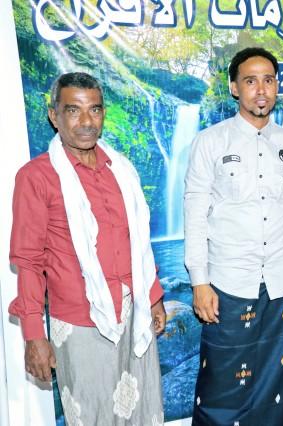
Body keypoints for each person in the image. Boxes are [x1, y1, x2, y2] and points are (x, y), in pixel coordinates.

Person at [9, 72, 166, 425]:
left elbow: (136, 242)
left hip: (134, 312)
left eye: (94, 110)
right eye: (73, 110)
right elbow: (29, 262)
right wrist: (34, 336)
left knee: (144, 413)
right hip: (80, 321)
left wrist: (154, 296)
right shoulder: (37, 177)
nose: (86, 122)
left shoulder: (120, 169)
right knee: (93, 417)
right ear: (54, 116)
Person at [184, 47, 283, 425]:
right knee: (223, 387)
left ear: (277, 86)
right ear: (234, 88)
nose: (261, 90)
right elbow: (194, 216)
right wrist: (199, 283)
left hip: (281, 281)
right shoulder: (211, 142)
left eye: (268, 80)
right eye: (250, 81)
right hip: (228, 283)